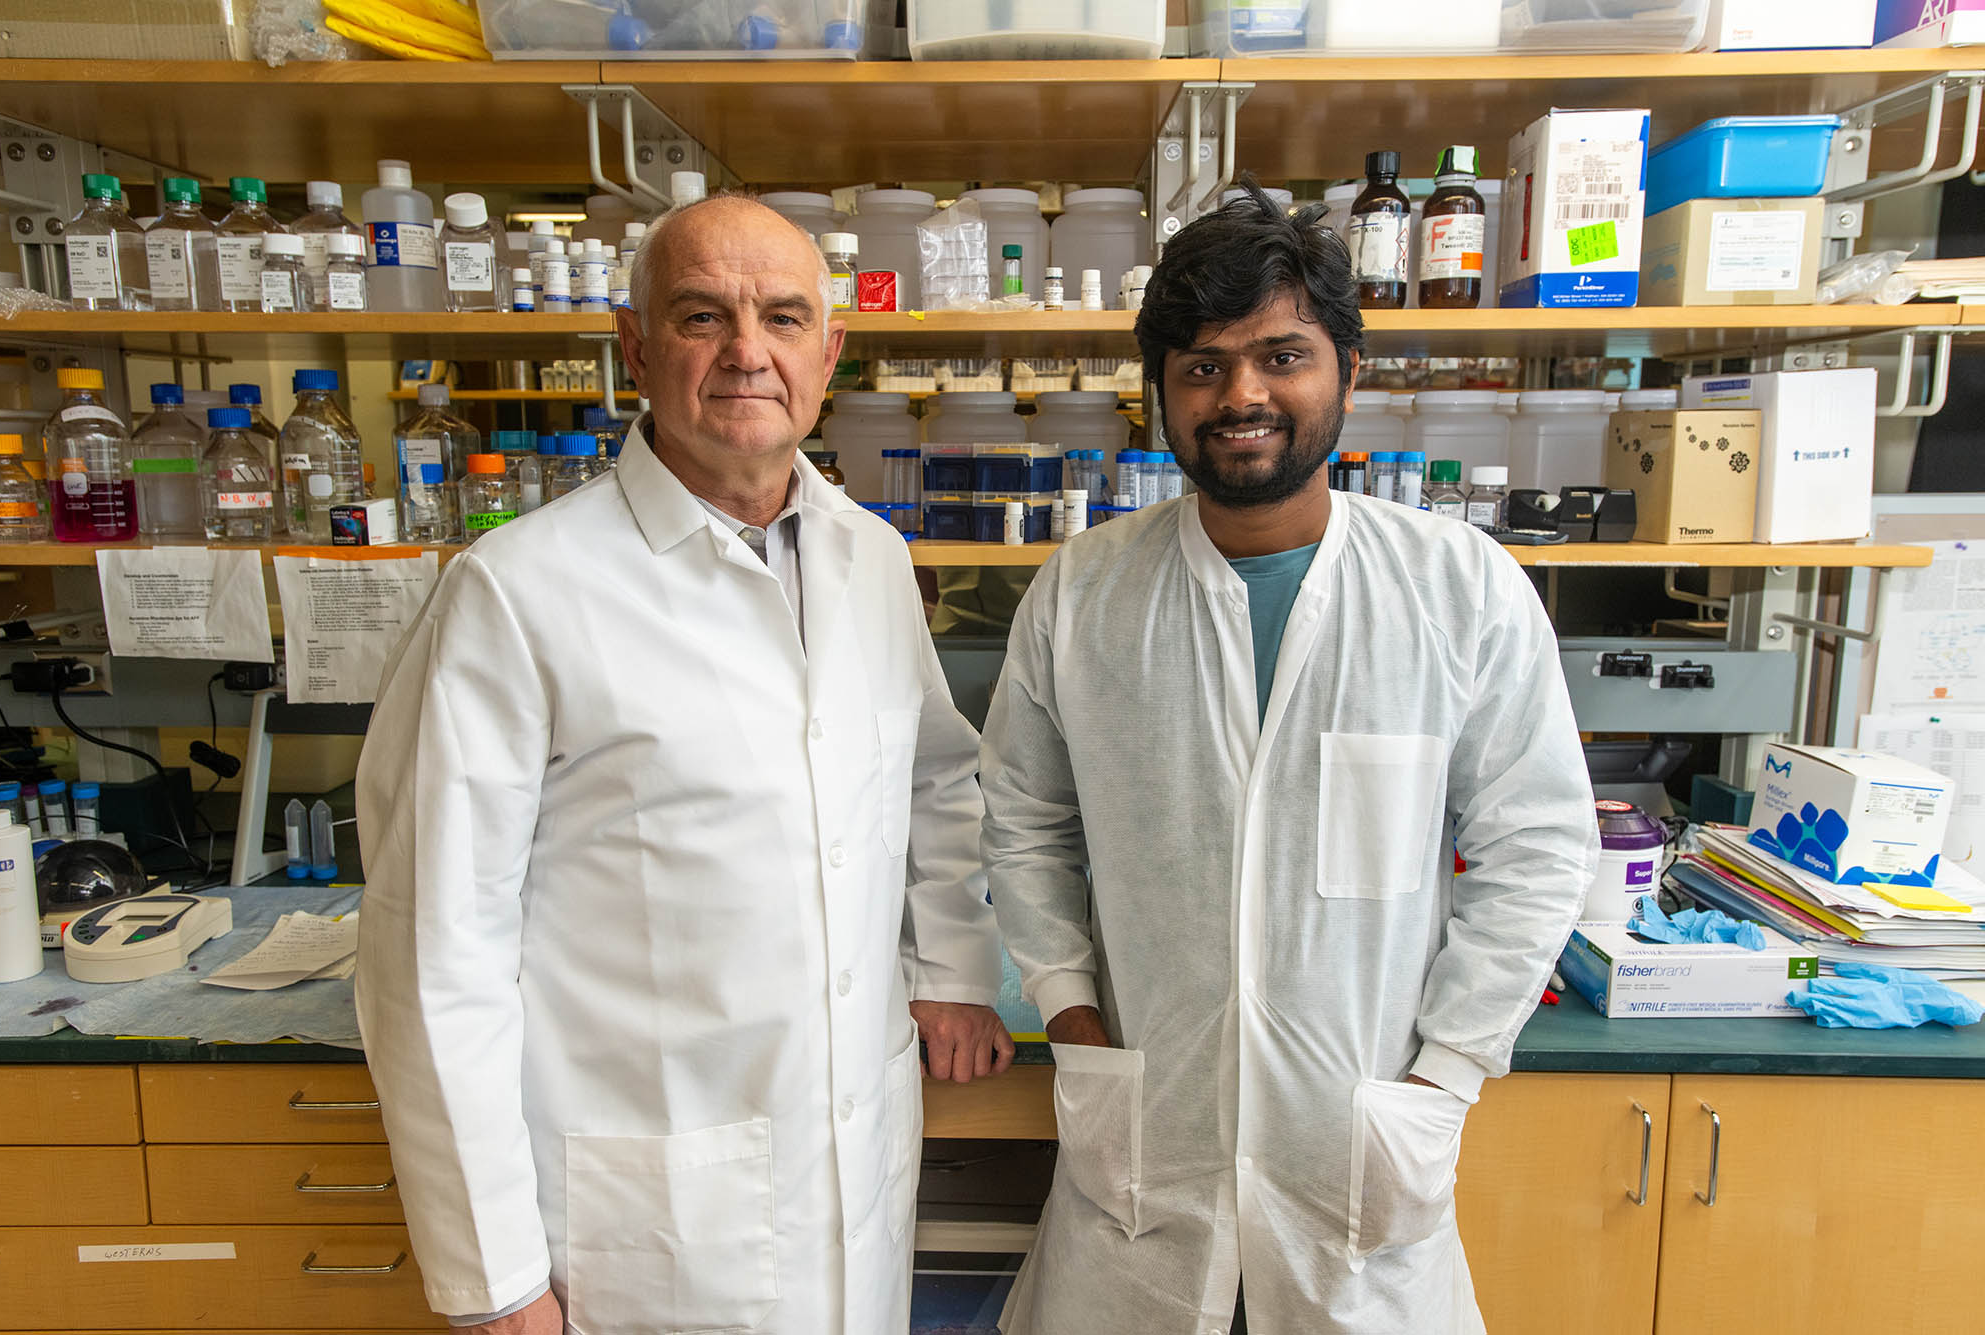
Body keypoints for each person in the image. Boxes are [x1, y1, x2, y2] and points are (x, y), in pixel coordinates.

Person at [356, 195, 1014, 1335]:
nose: (746, 353)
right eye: (702, 316)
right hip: (648, 1222)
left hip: (853, 1178)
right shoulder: (517, 592)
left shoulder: (869, 556)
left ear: (831, 349)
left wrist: (952, 964)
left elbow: (928, 780)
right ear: (634, 347)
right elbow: (431, 956)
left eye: (783, 317)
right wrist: (494, 1277)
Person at [979, 183, 1599, 1334]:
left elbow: (1536, 846)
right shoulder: (1082, 592)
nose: (1242, 396)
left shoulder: (1458, 590)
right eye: (1202, 367)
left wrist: (1444, 1076)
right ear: (1159, 396)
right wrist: (1068, 1011)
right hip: (1145, 1147)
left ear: (1346, 374)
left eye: (1281, 356)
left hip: (1356, 1150)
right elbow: (1021, 820)